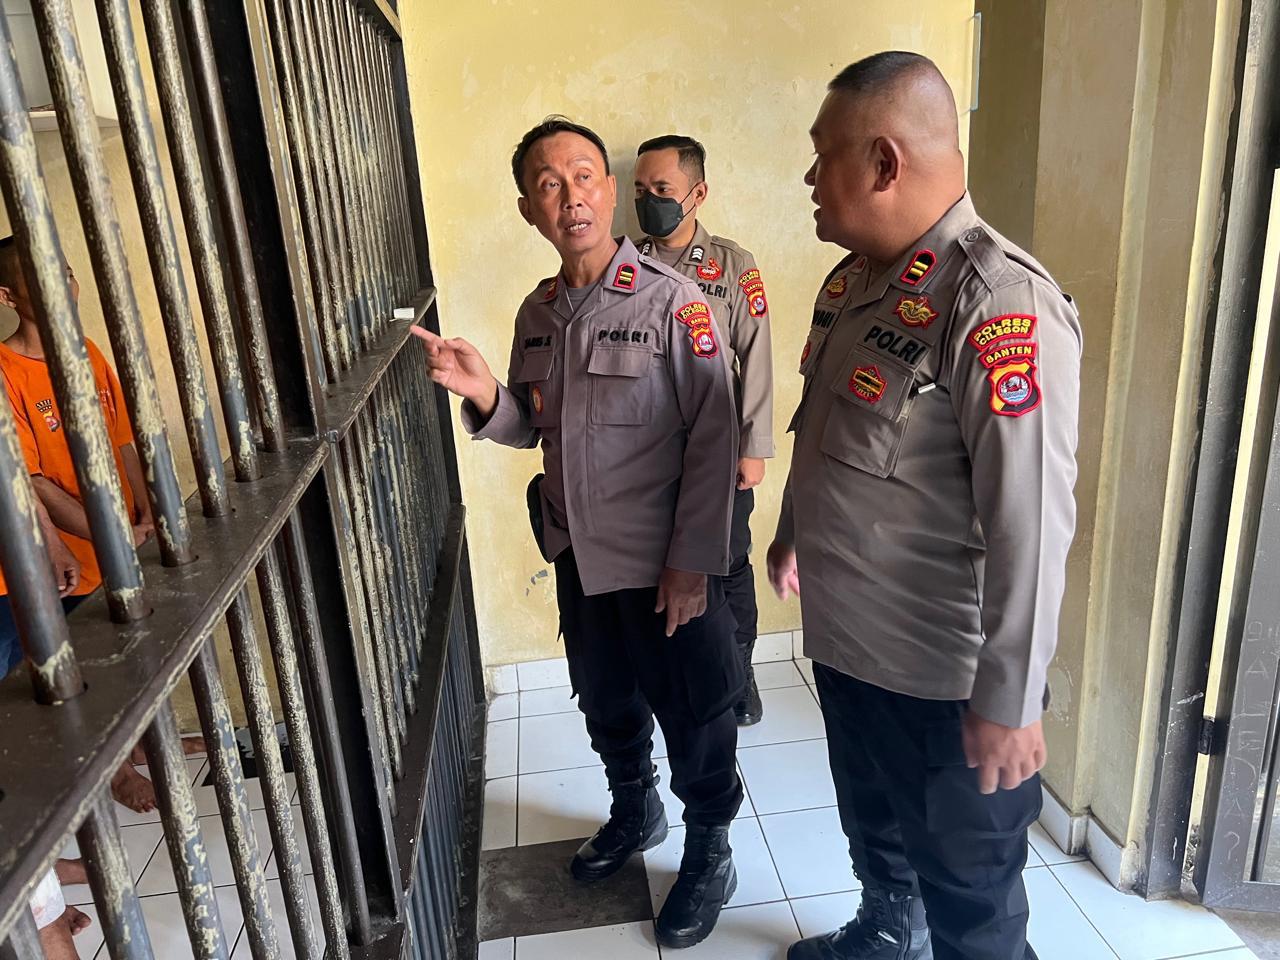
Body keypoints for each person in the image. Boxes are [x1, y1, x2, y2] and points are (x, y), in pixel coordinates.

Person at [768, 53, 1081, 960]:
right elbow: (821, 427)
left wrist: (1009, 700)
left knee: (972, 905)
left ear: (884, 162)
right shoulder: (854, 283)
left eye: (823, 154)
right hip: (850, 646)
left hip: (944, 684)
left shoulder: (998, 303)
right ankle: (884, 929)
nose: (810, 177)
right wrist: (793, 532)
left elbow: (1031, 521)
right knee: (877, 832)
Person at [413, 116, 744, 949]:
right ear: (529, 209)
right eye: (549, 184)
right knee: (606, 701)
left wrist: (692, 564)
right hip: (578, 557)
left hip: (664, 564)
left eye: (584, 176)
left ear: (609, 189)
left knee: (696, 712)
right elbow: (536, 427)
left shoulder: (674, 301)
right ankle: (636, 809)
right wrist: (485, 394)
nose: (571, 197)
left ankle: (710, 848)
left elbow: (716, 439)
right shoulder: (539, 312)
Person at [0, 240, 201, 817]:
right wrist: (106, 534)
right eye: (40, 275)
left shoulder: (85, 352)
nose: (61, 283)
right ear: (9, 297)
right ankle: (110, 774)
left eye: (63, 270)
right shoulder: (6, 372)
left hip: (106, 546)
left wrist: (147, 509)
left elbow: (121, 439)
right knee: (58, 672)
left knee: (113, 657)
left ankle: (133, 747)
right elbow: (30, 480)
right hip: (48, 557)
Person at [634, 134, 775, 725]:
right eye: (641, 189)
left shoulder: (733, 266)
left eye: (662, 189)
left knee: (729, 562)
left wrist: (754, 446)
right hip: (646, 454)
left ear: (697, 194)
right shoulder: (624, 263)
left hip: (718, 451)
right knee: (654, 564)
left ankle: (739, 674)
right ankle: (667, 674)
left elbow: (757, 355)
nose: (649, 201)